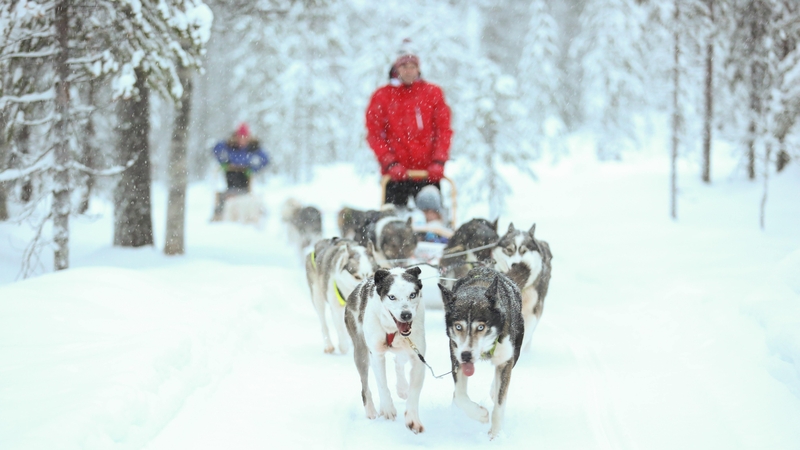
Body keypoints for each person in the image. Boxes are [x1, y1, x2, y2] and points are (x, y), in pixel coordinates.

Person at [366, 39, 453, 209]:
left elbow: (443, 131)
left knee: (433, 224)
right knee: (394, 225)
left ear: (418, 68)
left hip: (428, 174)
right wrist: (390, 163)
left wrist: (438, 162)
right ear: (396, 68)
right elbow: (375, 135)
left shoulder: (433, 94)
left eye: (412, 66)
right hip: (395, 176)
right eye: (404, 66)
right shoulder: (382, 96)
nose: (409, 71)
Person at [211, 122, 269, 221]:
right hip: (231, 175)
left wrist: (253, 168)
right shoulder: (229, 145)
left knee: (247, 198)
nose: (242, 140)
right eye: (240, 137)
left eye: (245, 137)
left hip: (245, 177)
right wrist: (224, 163)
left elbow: (265, 159)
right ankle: (219, 215)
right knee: (225, 197)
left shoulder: (253, 147)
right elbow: (216, 149)